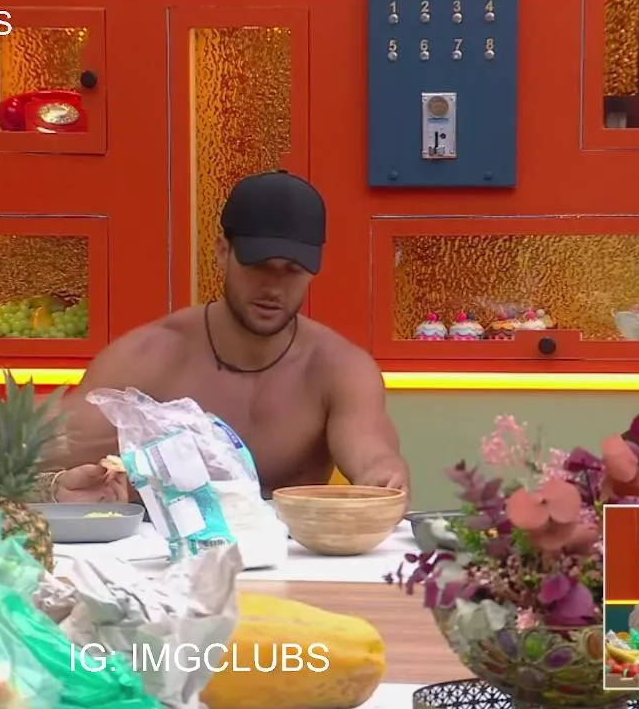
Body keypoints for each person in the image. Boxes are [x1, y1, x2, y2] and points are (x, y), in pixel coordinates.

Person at [43, 170, 410, 502]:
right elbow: (39, 445)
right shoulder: (151, 357)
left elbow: (372, 451)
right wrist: (52, 485)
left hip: (292, 551)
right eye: (258, 266)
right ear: (222, 253)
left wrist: (383, 477)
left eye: (292, 271)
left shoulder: (338, 369)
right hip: (169, 552)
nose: (274, 287)